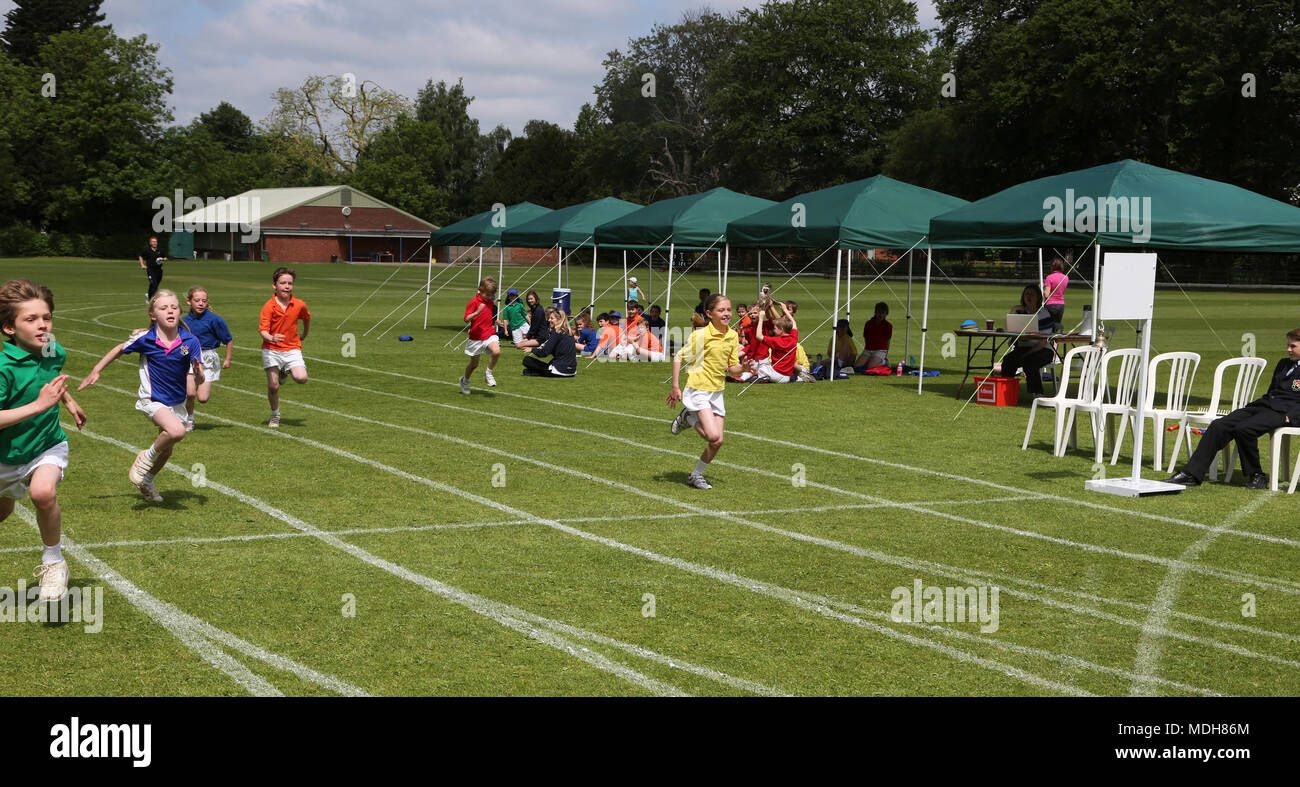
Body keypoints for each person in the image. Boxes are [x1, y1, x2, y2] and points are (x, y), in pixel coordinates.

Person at [0, 280, 87, 602]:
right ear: (9, 327)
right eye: (31, 319)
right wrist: (40, 404)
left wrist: (67, 401)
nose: (42, 326)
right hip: (6, 454)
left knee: (43, 492)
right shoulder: (3, 368)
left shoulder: (54, 349)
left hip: (46, 444)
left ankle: (54, 562)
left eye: (46, 317)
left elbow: (50, 380)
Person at [80, 290, 203, 503]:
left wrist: (198, 373)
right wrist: (96, 369)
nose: (170, 311)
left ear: (180, 311)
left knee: (167, 451)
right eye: (163, 308)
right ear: (153, 315)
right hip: (152, 400)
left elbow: (198, 380)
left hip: (177, 403)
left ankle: (147, 480)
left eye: (173, 307)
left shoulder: (190, 341)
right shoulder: (145, 339)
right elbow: (120, 348)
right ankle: (145, 456)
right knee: (176, 431)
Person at [1166, 328, 1300, 489]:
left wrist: (1290, 418)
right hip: (1264, 405)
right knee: (1218, 425)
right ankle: (1191, 474)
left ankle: (1256, 475)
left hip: (1285, 413)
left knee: (1245, 428)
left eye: (1293, 346)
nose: (1288, 350)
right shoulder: (1283, 363)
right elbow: (1273, 392)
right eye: (1288, 346)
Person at [668, 294, 749, 490]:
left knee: (717, 441)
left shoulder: (732, 335)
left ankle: (696, 475)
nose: (727, 313)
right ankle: (689, 417)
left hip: (717, 391)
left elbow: (732, 367)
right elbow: (679, 358)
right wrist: (676, 386)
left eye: (728, 310)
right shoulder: (701, 335)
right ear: (709, 313)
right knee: (713, 436)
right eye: (721, 310)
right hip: (698, 389)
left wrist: (744, 369)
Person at [259, 267, 310, 426]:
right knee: (273, 386)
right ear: (274, 285)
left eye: (290, 283)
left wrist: (304, 334)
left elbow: (306, 318)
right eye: (283, 283)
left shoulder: (299, 304)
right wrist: (272, 337)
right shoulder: (269, 306)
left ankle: (284, 371)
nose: (287, 286)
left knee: (301, 378)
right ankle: (275, 414)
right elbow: (263, 330)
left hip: (292, 347)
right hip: (271, 349)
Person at [181, 286, 232, 432]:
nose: (201, 303)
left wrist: (228, 359)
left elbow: (228, 339)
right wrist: (182, 355)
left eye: (204, 300)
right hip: (190, 358)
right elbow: (182, 343)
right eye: (197, 300)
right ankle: (188, 419)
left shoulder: (215, 320)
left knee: (202, 398)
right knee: (190, 393)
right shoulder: (183, 322)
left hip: (208, 358)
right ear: (189, 301)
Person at [993, 284, 1054, 397]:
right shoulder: (1019, 312)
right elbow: (1010, 331)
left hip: (1043, 350)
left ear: (1038, 298)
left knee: (1030, 361)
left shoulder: (1043, 314)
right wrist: (1014, 309)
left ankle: (1037, 393)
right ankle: (1006, 390)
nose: (1029, 297)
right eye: (1026, 294)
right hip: (1022, 348)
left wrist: (1028, 353)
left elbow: (1043, 341)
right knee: (1008, 360)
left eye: (1032, 294)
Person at [460, 277, 501, 394]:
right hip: (476, 337)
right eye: (487, 294)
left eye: (491, 295)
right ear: (480, 290)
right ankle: (465, 380)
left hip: (489, 334)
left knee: (497, 351)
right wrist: (477, 312)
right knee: (474, 365)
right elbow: (466, 319)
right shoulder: (473, 302)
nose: (489, 297)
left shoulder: (490, 302)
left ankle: (488, 373)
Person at [521, 309, 577, 378]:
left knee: (527, 360)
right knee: (551, 362)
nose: (549, 320)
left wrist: (532, 349)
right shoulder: (568, 332)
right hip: (572, 371)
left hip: (560, 370)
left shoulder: (557, 332)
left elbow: (544, 353)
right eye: (549, 318)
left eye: (551, 318)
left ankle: (536, 372)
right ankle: (536, 372)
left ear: (559, 320)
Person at [755, 304, 801, 383]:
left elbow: (758, 336)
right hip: (787, 377)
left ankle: (764, 378)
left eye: (775, 328)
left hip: (775, 374)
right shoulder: (793, 337)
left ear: (781, 329)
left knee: (761, 366)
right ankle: (799, 378)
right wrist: (785, 310)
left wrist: (761, 318)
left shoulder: (775, 340)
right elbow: (794, 323)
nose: (773, 330)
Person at [855, 302, 893, 370]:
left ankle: (884, 362)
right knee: (857, 366)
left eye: (883, 313)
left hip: (880, 350)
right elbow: (865, 336)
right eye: (879, 312)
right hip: (868, 350)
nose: (881, 315)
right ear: (875, 312)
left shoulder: (888, 326)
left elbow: (888, 341)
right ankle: (872, 360)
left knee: (871, 367)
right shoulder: (868, 323)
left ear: (886, 314)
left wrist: (885, 354)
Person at [138, 236, 167, 303]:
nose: (155, 243)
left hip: (159, 271)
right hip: (150, 270)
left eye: (156, 241)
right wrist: (142, 265)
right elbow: (140, 256)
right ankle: (154, 299)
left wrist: (162, 259)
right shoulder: (147, 250)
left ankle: (149, 296)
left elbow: (165, 258)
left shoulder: (160, 250)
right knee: (153, 284)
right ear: (150, 243)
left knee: (154, 284)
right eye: (153, 242)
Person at [1043, 257, 1069, 332]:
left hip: (1050, 304)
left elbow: (1046, 294)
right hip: (1061, 305)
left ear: (1052, 266)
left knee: (1048, 327)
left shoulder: (1049, 277)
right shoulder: (1066, 278)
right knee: (1056, 328)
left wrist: (1041, 288)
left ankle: (1048, 343)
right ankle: (1055, 343)